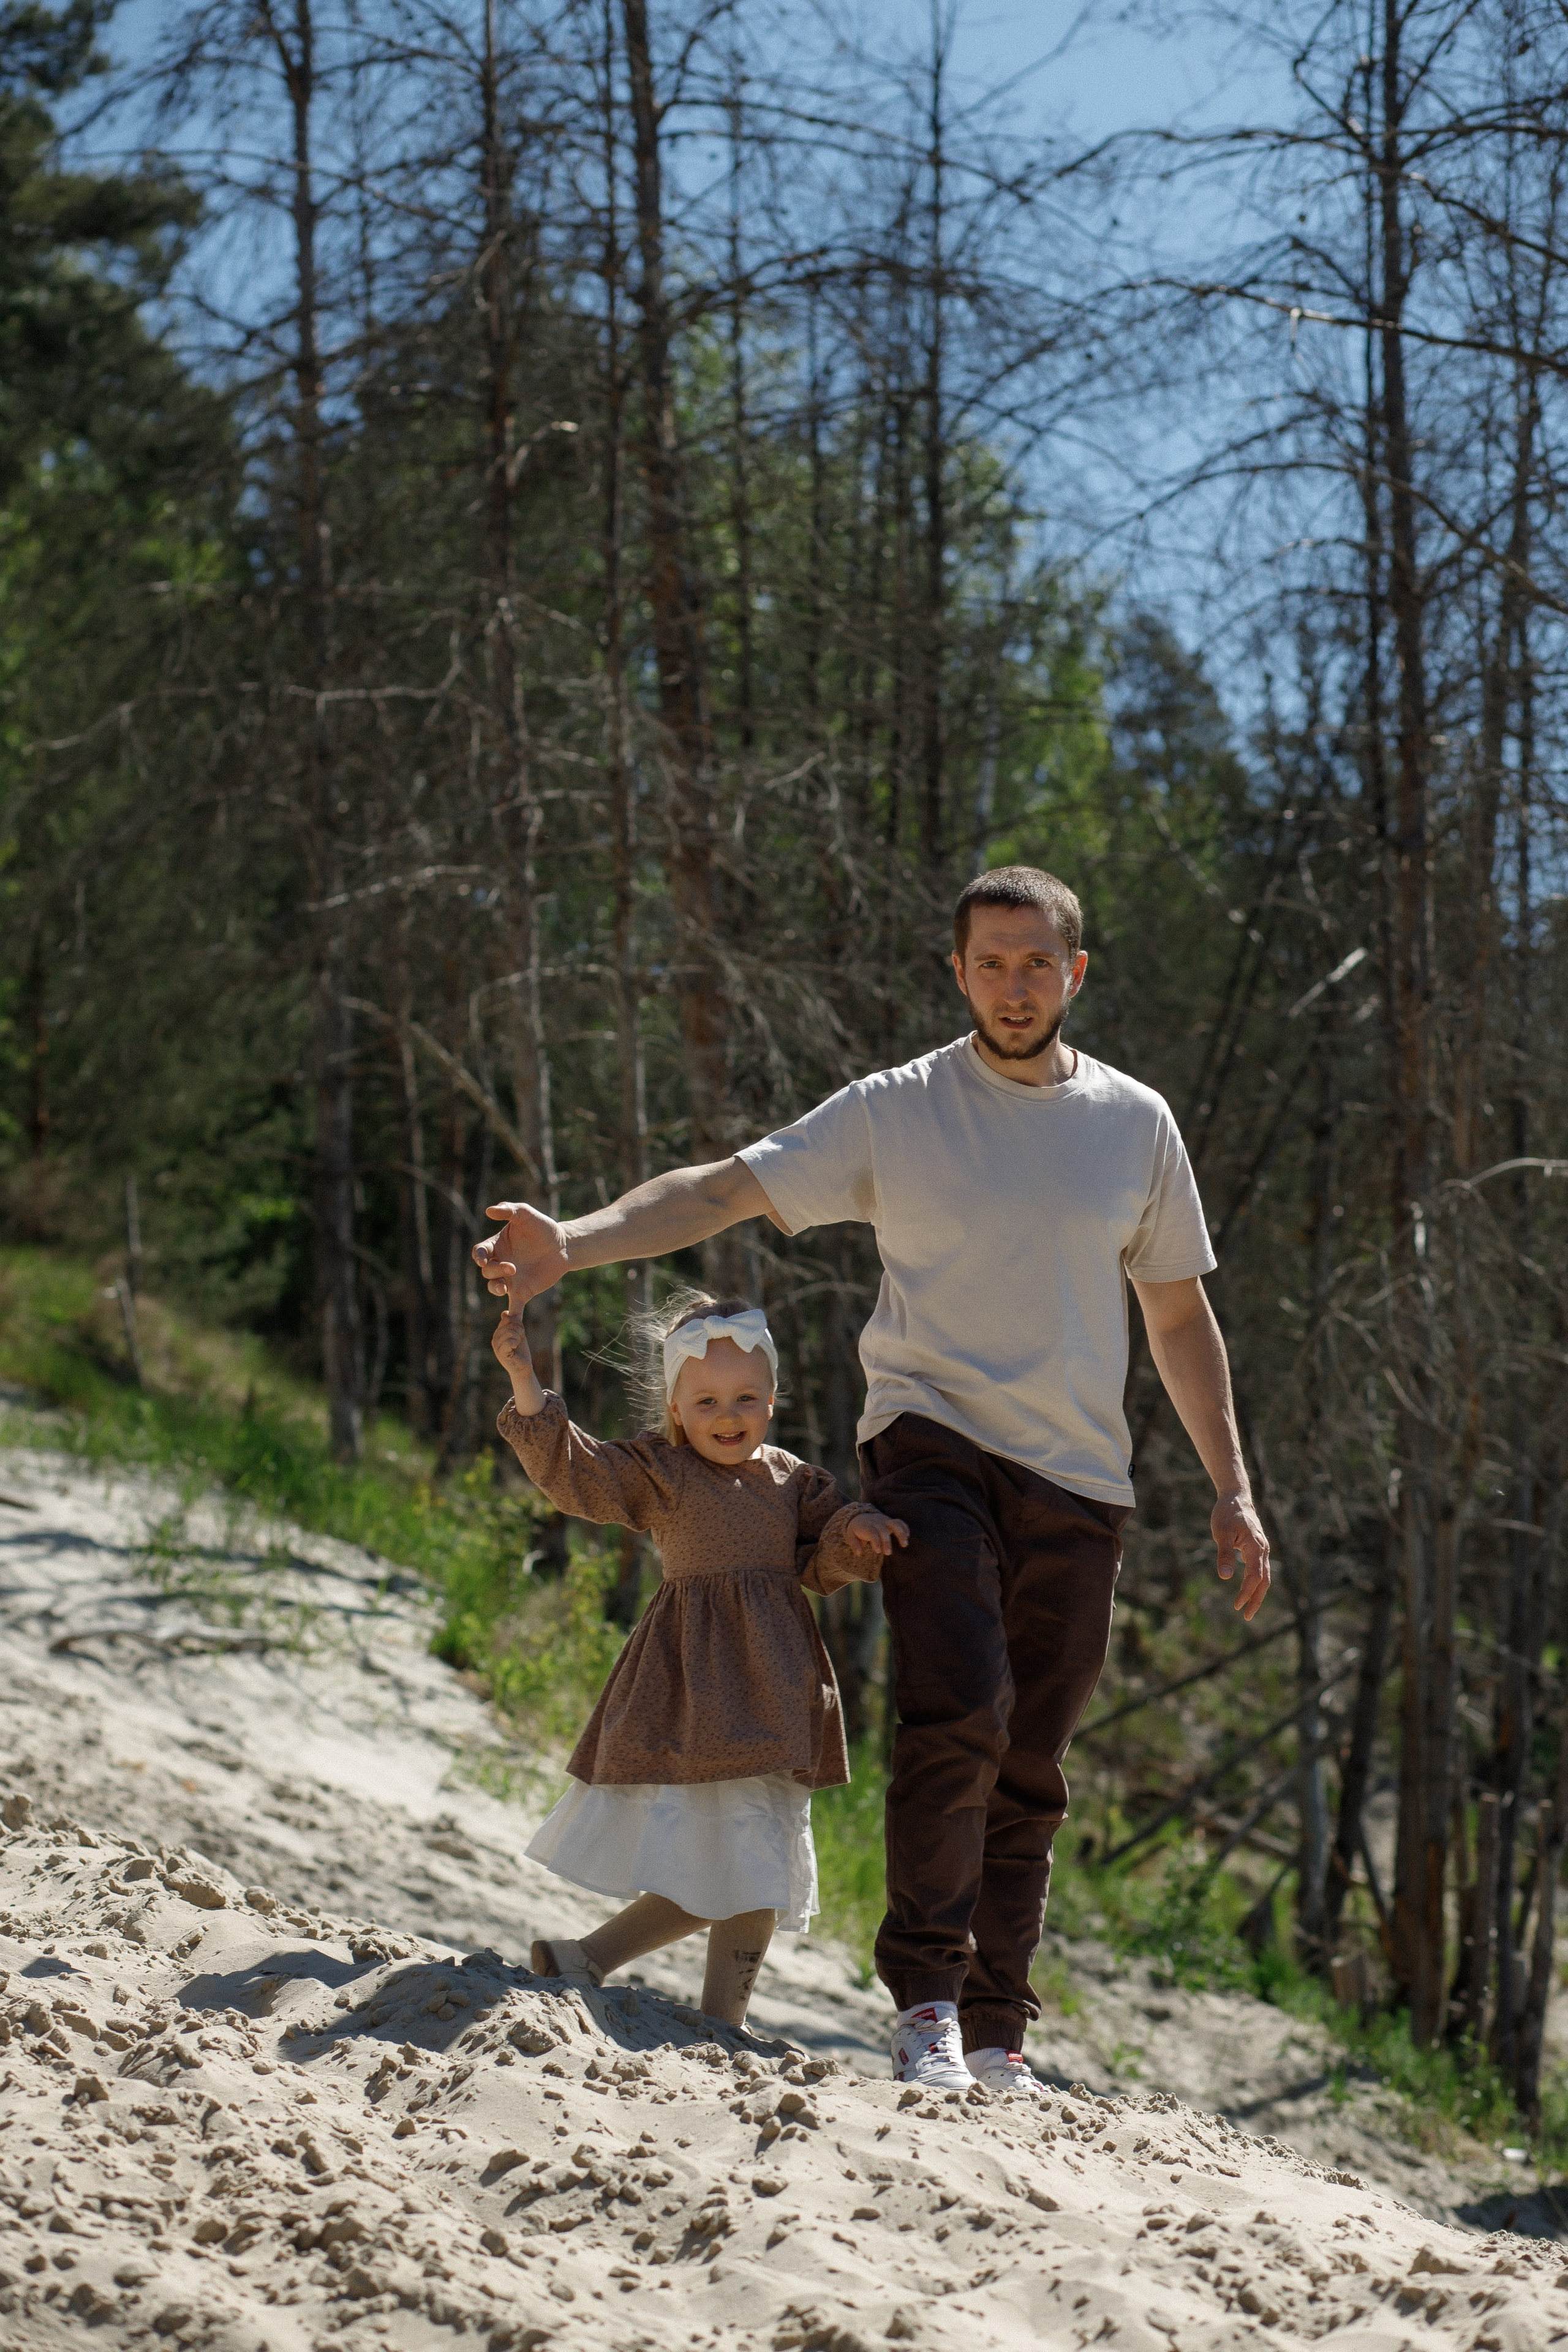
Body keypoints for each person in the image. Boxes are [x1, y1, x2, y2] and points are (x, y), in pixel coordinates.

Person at [475, 864, 1271, 2095]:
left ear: (1075, 972)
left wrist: (1231, 1487)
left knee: (1032, 1763)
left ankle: (1000, 2028)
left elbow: (1175, 1319)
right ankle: (928, 2007)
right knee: (958, 1709)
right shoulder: (897, 1109)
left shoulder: (1134, 1124)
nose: (1014, 986)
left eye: (1036, 962)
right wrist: (573, 1241)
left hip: (1078, 1479)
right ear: (957, 972)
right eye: (990, 962)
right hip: (929, 1442)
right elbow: (724, 1187)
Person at [494, 1287, 908, 2029]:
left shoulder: (792, 1481)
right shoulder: (661, 1472)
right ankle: (722, 2028)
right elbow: (577, 1471)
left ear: (773, 1402)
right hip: (697, 1690)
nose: (728, 1416)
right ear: (678, 1410)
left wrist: (862, 1531)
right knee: (748, 1866)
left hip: (777, 1692)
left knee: (750, 1862)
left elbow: (827, 1549)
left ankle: (584, 1961)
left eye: (746, 1398)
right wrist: (526, 1383)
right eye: (708, 1402)